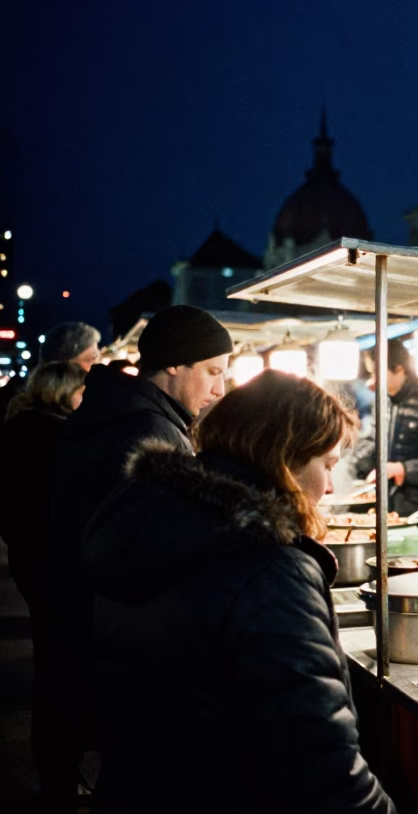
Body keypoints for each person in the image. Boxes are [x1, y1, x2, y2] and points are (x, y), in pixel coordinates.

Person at [80, 370, 395, 814]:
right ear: (286, 458)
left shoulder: (151, 517)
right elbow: (318, 762)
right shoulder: (269, 567)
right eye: (327, 465)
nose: (328, 487)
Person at [44, 304, 233, 812]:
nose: (220, 388)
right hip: (118, 635)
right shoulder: (148, 431)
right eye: (214, 372)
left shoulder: (113, 409)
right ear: (176, 364)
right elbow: (157, 550)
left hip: (83, 619)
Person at [0, 362, 87, 812]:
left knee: (52, 666)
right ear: (64, 392)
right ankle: (58, 779)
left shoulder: (20, 427)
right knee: (60, 671)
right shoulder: (55, 436)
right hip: (53, 566)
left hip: (30, 561)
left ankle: (55, 773)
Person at [351, 337, 418, 516]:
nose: (373, 380)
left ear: (399, 369)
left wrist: (403, 469)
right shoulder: (382, 403)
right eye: (371, 374)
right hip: (390, 508)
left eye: (377, 373)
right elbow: (373, 441)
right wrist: (354, 456)